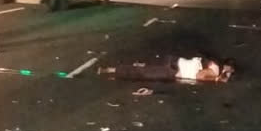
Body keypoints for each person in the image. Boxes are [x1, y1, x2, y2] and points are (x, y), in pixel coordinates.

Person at [97, 56, 235, 83]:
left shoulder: (211, 62)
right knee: (143, 73)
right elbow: (200, 76)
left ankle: (111, 69)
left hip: (174, 60)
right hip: (173, 70)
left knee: (145, 66)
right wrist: (216, 79)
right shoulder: (215, 70)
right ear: (226, 68)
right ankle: (111, 71)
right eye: (230, 73)